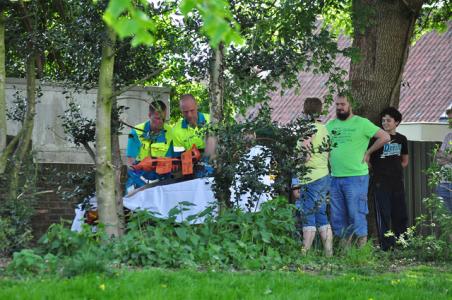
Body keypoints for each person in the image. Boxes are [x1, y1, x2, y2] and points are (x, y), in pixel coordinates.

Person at [326, 94, 390, 247]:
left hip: (356, 177)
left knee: (356, 213)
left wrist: (368, 152)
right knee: (338, 216)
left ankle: (361, 251)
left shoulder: (362, 123)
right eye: (337, 105)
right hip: (334, 178)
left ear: (350, 105)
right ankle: (345, 250)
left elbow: (385, 137)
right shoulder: (331, 125)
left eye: (343, 104)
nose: (340, 107)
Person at [294, 97, 333, 256]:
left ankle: (304, 253)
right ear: (320, 111)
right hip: (323, 175)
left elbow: (305, 150)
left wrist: (301, 159)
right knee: (320, 213)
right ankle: (329, 254)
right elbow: (329, 153)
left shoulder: (308, 128)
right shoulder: (324, 129)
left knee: (308, 214)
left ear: (305, 111)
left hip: (310, 178)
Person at [369, 107, 409, 251]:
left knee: (400, 214)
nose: (385, 123)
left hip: (397, 183)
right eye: (383, 120)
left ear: (396, 122)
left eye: (388, 120)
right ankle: (386, 246)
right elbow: (368, 158)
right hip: (380, 183)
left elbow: (405, 160)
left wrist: (395, 170)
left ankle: (403, 244)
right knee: (384, 215)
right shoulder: (376, 139)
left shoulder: (401, 139)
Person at [125, 100, 172, 190]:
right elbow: (130, 162)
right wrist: (141, 183)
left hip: (161, 173)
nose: (161, 122)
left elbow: (171, 160)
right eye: (158, 118)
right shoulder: (136, 132)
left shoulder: (170, 132)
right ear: (149, 115)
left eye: (163, 118)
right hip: (139, 174)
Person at [436, 108, 452, 212]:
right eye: (449, 119)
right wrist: (449, 157)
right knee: (448, 216)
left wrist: (445, 156)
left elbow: (442, 155)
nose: (449, 122)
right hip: (444, 181)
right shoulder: (448, 136)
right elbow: (438, 158)